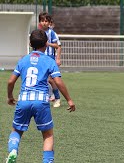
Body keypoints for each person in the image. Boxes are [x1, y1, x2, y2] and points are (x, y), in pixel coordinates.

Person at [6, 29, 75, 163]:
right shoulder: (49, 61)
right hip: (41, 101)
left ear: (30, 44)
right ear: (46, 44)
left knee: (16, 130)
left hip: (24, 100)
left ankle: (13, 150)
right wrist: (69, 100)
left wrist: (10, 96)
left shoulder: (23, 60)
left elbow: (10, 81)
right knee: (48, 135)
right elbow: (58, 81)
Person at [38, 12, 62, 108]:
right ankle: (47, 96)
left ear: (49, 23)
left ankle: (57, 98)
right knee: (41, 78)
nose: (44, 23)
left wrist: (58, 59)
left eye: (46, 21)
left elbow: (58, 46)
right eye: (42, 21)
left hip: (50, 59)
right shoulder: (38, 32)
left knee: (51, 80)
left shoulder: (51, 33)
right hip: (40, 58)